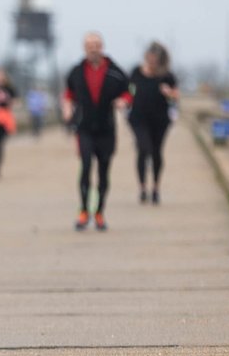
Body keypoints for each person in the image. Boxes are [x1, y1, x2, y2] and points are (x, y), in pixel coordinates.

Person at [61, 32, 131, 231]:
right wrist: (66, 107)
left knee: (103, 170)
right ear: (84, 47)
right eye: (89, 44)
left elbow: (131, 89)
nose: (93, 48)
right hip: (84, 128)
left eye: (97, 44)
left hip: (106, 129)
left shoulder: (115, 71)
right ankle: (83, 210)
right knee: (85, 166)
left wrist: (125, 100)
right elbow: (68, 93)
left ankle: (99, 212)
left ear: (102, 46)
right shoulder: (76, 71)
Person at [128, 41, 179, 205]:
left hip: (160, 120)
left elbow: (176, 96)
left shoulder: (167, 76)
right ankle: (142, 187)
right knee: (144, 149)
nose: (151, 61)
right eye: (149, 57)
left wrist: (169, 92)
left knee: (156, 152)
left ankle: (155, 188)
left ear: (159, 59)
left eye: (154, 59)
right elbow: (129, 90)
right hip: (138, 118)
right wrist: (127, 98)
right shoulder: (136, 72)